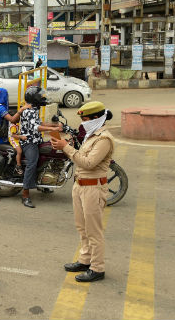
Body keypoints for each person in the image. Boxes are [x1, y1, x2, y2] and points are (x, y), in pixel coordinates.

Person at [50, 101, 114, 282]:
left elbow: (88, 163)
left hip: (94, 187)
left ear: (96, 118)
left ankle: (97, 267)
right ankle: (85, 260)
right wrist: (65, 146)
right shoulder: (91, 135)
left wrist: (66, 147)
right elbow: (80, 156)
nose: (83, 122)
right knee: (82, 227)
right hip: (80, 185)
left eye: (85, 118)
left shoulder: (104, 139)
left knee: (94, 231)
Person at [19, 87, 63, 208]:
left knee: (46, 158)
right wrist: (52, 129)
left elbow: (40, 123)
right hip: (29, 142)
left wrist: (55, 125)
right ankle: (25, 195)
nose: (43, 98)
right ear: (35, 98)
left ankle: (42, 184)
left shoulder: (34, 109)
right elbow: (35, 128)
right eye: (41, 96)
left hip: (36, 140)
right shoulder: (28, 111)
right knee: (32, 163)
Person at [0, 87, 30, 174]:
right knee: (15, 150)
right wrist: (21, 110)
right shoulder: (0, 108)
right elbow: (12, 120)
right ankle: (15, 168)